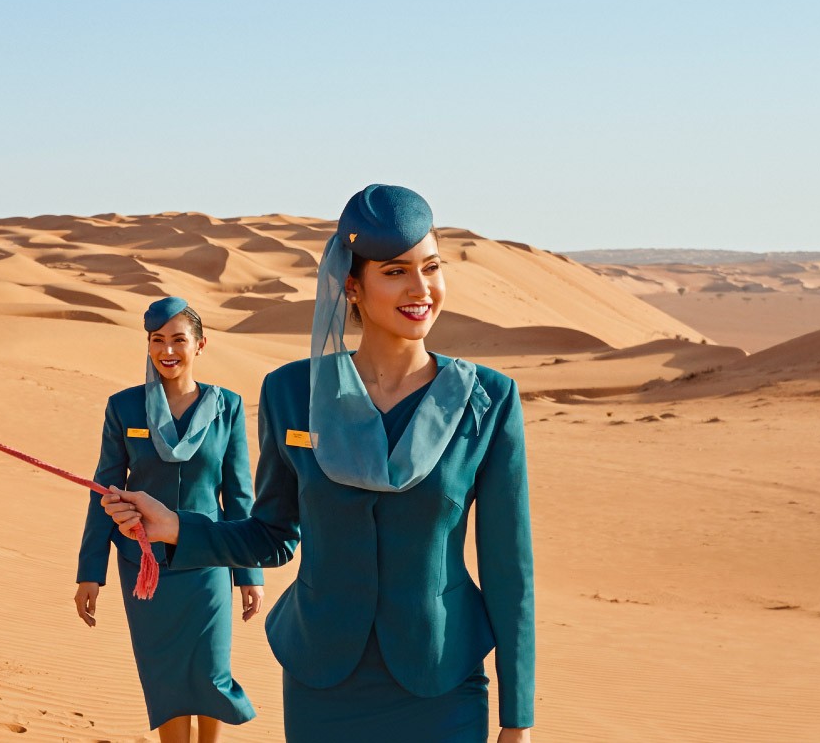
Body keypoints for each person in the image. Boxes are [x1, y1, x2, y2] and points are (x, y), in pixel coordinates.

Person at [102, 185, 535, 742]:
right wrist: (177, 528)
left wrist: (517, 719)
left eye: (431, 267)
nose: (421, 289)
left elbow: (508, 570)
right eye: (396, 272)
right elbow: (273, 534)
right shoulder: (291, 393)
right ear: (352, 286)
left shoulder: (488, 401)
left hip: (442, 680)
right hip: (323, 681)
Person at [76, 296, 264, 742]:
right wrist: (90, 574)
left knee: (211, 672)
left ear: (200, 344)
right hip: (144, 566)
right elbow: (103, 490)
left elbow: (238, 496)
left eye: (178, 339)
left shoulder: (228, 407)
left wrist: (249, 574)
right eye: (156, 340)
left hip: (209, 560)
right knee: (165, 677)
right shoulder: (124, 408)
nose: (167, 350)